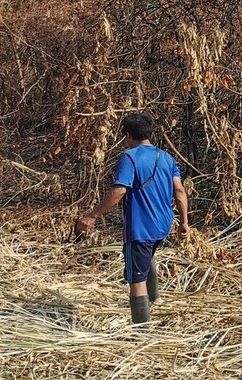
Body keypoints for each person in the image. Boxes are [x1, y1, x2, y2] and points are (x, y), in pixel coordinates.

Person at [74, 113, 191, 324]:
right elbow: (180, 191)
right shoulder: (166, 157)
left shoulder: (129, 157)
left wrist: (92, 215)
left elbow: (118, 191)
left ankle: (141, 332)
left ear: (127, 135)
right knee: (147, 258)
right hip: (163, 224)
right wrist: (184, 223)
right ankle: (155, 301)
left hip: (140, 228)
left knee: (136, 279)